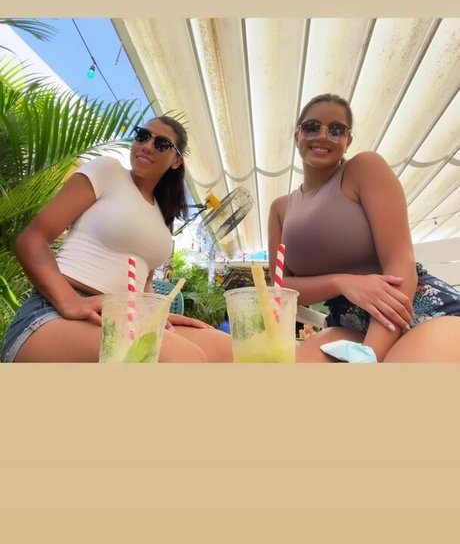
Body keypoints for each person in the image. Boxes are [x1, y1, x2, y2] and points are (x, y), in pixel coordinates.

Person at [1, 115, 233, 363]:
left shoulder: (162, 216)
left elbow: (144, 282)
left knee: (227, 349)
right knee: (183, 358)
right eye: (142, 136)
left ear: (176, 161)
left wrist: (156, 315)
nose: (147, 145)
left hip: (129, 317)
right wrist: (69, 301)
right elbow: (32, 240)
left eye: (161, 143)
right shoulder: (108, 171)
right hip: (55, 312)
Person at [268, 93, 460, 362]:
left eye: (336, 130)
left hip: (412, 308)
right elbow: (282, 288)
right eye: (312, 127)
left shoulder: (364, 169)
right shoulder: (280, 209)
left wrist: (369, 354)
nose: (323, 135)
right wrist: (342, 282)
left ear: (348, 141)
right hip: (347, 324)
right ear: (297, 135)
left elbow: (399, 262)